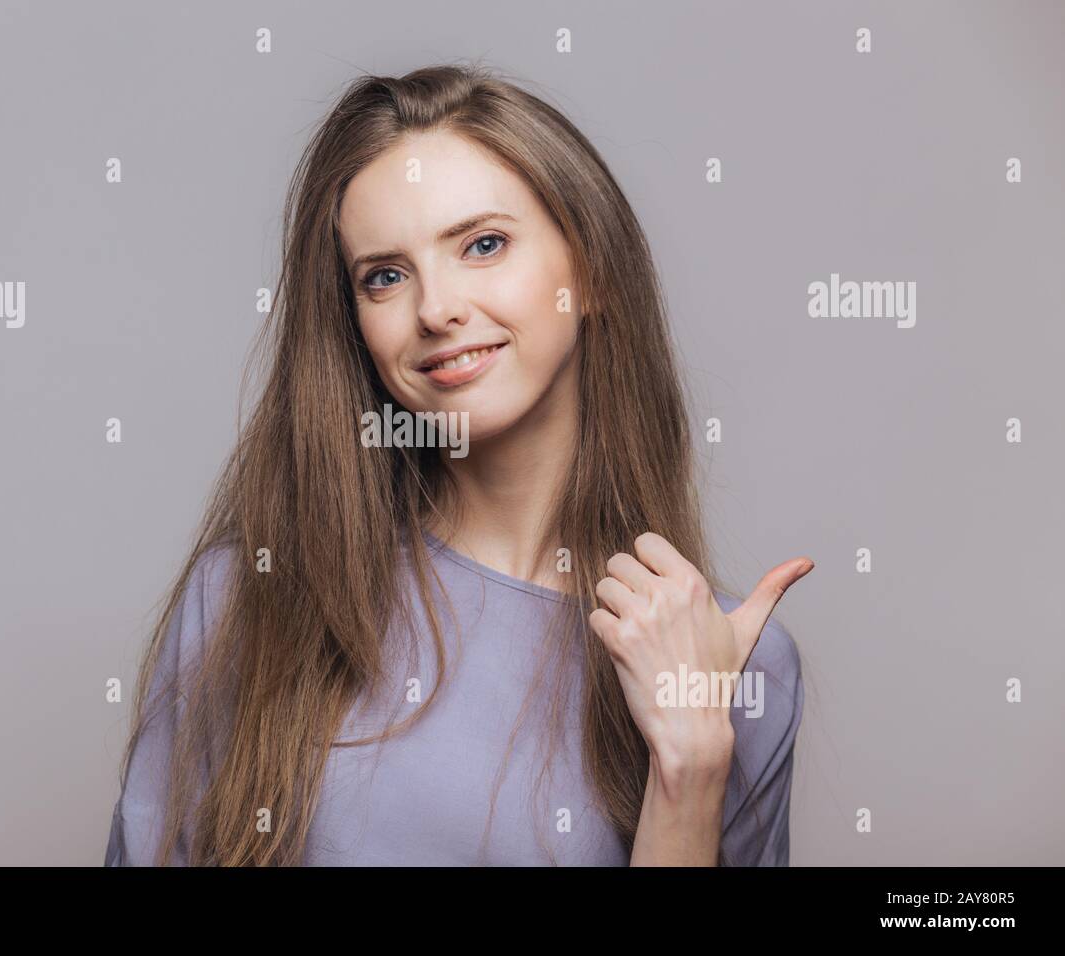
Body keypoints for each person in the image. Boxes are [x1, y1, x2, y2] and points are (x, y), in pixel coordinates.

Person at [105, 62, 809, 867]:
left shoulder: (730, 658)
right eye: (385, 276)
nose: (435, 309)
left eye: (483, 244)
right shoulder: (248, 597)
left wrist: (690, 764)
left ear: (593, 270)